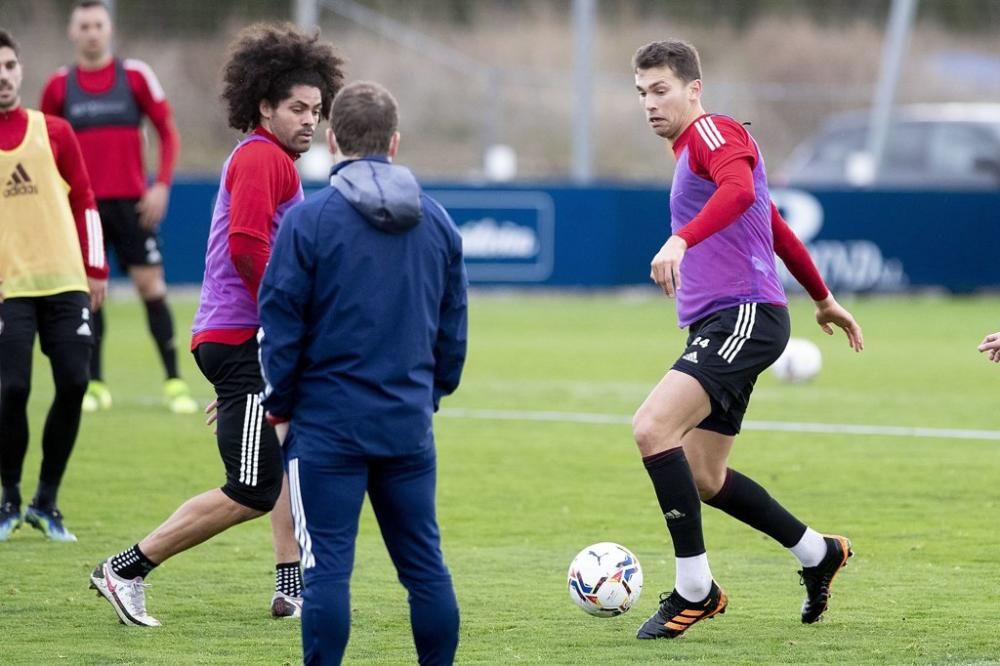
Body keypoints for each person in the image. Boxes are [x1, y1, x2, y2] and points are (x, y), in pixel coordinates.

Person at [88, 23, 345, 626]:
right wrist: (283, 328)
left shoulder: (271, 158)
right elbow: (248, 247)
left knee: (283, 448)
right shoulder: (263, 158)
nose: (310, 120)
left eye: (316, 109)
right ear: (263, 106)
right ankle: (125, 568)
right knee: (252, 488)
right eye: (297, 108)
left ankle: (290, 585)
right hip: (243, 339)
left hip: (244, 343)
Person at [629, 40, 865, 640]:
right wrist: (822, 296)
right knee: (706, 477)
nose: (650, 104)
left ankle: (694, 590)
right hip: (738, 318)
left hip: (742, 316)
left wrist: (681, 239)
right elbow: (773, 222)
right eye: (641, 93)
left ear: (693, 89)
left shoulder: (713, 132)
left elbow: (738, 193)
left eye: (660, 90)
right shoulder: (691, 151)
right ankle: (818, 553)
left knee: (653, 428)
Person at [258, 80, 468, 665]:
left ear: (332, 138)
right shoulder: (438, 223)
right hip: (406, 424)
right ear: (394, 143)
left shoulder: (310, 221)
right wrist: (430, 394)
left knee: (326, 569)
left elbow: (281, 325)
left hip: (327, 427)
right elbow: (453, 331)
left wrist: (282, 404)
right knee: (424, 568)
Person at [40, 0, 195, 414]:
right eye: (84, 26)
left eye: (98, 25)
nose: (92, 32)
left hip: (133, 205)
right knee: (93, 293)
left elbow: (168, 131)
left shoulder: (136, 76)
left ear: (109, 30)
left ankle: (175, 381)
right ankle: (96, 384)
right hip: (83, 210)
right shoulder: (58, 86)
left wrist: (161, 185)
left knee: (152, 288)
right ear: (73, 33)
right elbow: (45, 149)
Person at [0, 29, 109, 542]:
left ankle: (46, 502)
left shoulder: (56, 131)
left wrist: (96, 269)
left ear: (20, 70)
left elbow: (85, 199)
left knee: (73, 382)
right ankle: (9, 499)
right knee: (12, 389)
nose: (2, 77)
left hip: (66, 282)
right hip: (10, 289)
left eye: (8, 66)